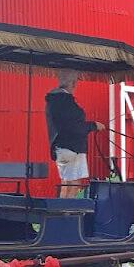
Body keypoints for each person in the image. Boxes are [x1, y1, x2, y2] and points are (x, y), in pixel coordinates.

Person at [45, 70, 104, 198]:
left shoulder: (55, 100)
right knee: (73, 184)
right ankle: (66, 214)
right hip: (71, 148)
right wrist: (93, 125)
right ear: (73, 83)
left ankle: (62, 213)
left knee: (67, 183)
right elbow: (73, 127)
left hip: (63, 148)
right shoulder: (64, 101)